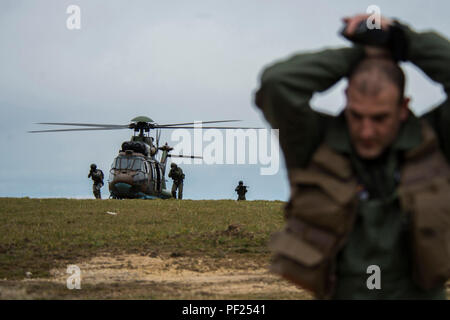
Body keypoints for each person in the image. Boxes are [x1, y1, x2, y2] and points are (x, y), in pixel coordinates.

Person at [255, 14, 450, 299]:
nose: (366, 131)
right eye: (356, 116)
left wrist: (401, 40)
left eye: (380, 118)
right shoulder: (313, 144)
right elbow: (277, 83)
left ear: (403, 108)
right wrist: (361, 53)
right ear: (345, 98)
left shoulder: (436, 142)